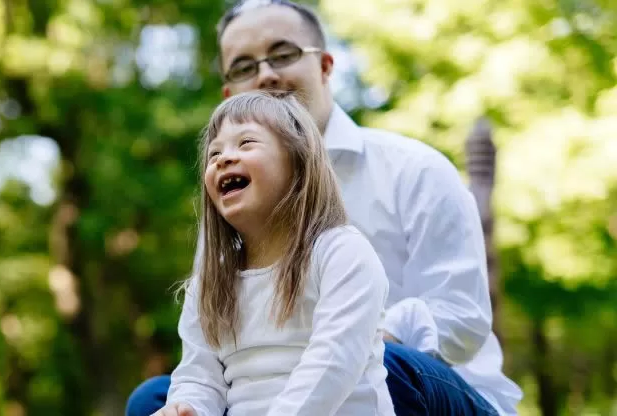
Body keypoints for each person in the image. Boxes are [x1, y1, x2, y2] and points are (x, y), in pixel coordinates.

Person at [127, 0, 523, 415]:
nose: (266, 75)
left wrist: (368, 328)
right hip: (283, 392)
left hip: (428, 386)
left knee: (374, 364)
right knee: (158, 400)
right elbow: (212, 359)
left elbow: (465, 320)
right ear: (229, 95)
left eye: (283, 54)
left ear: (326, 66)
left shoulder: (414, 169)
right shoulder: (231, 211)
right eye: (244, 67)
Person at [156, 90, 394, 416]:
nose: (224, 158)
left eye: (246, 143)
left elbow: (333, 361)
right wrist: (186, 408)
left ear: (297, 162)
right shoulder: (209, 284)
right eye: (214, 154)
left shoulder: (342, 253)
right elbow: (200, 378)